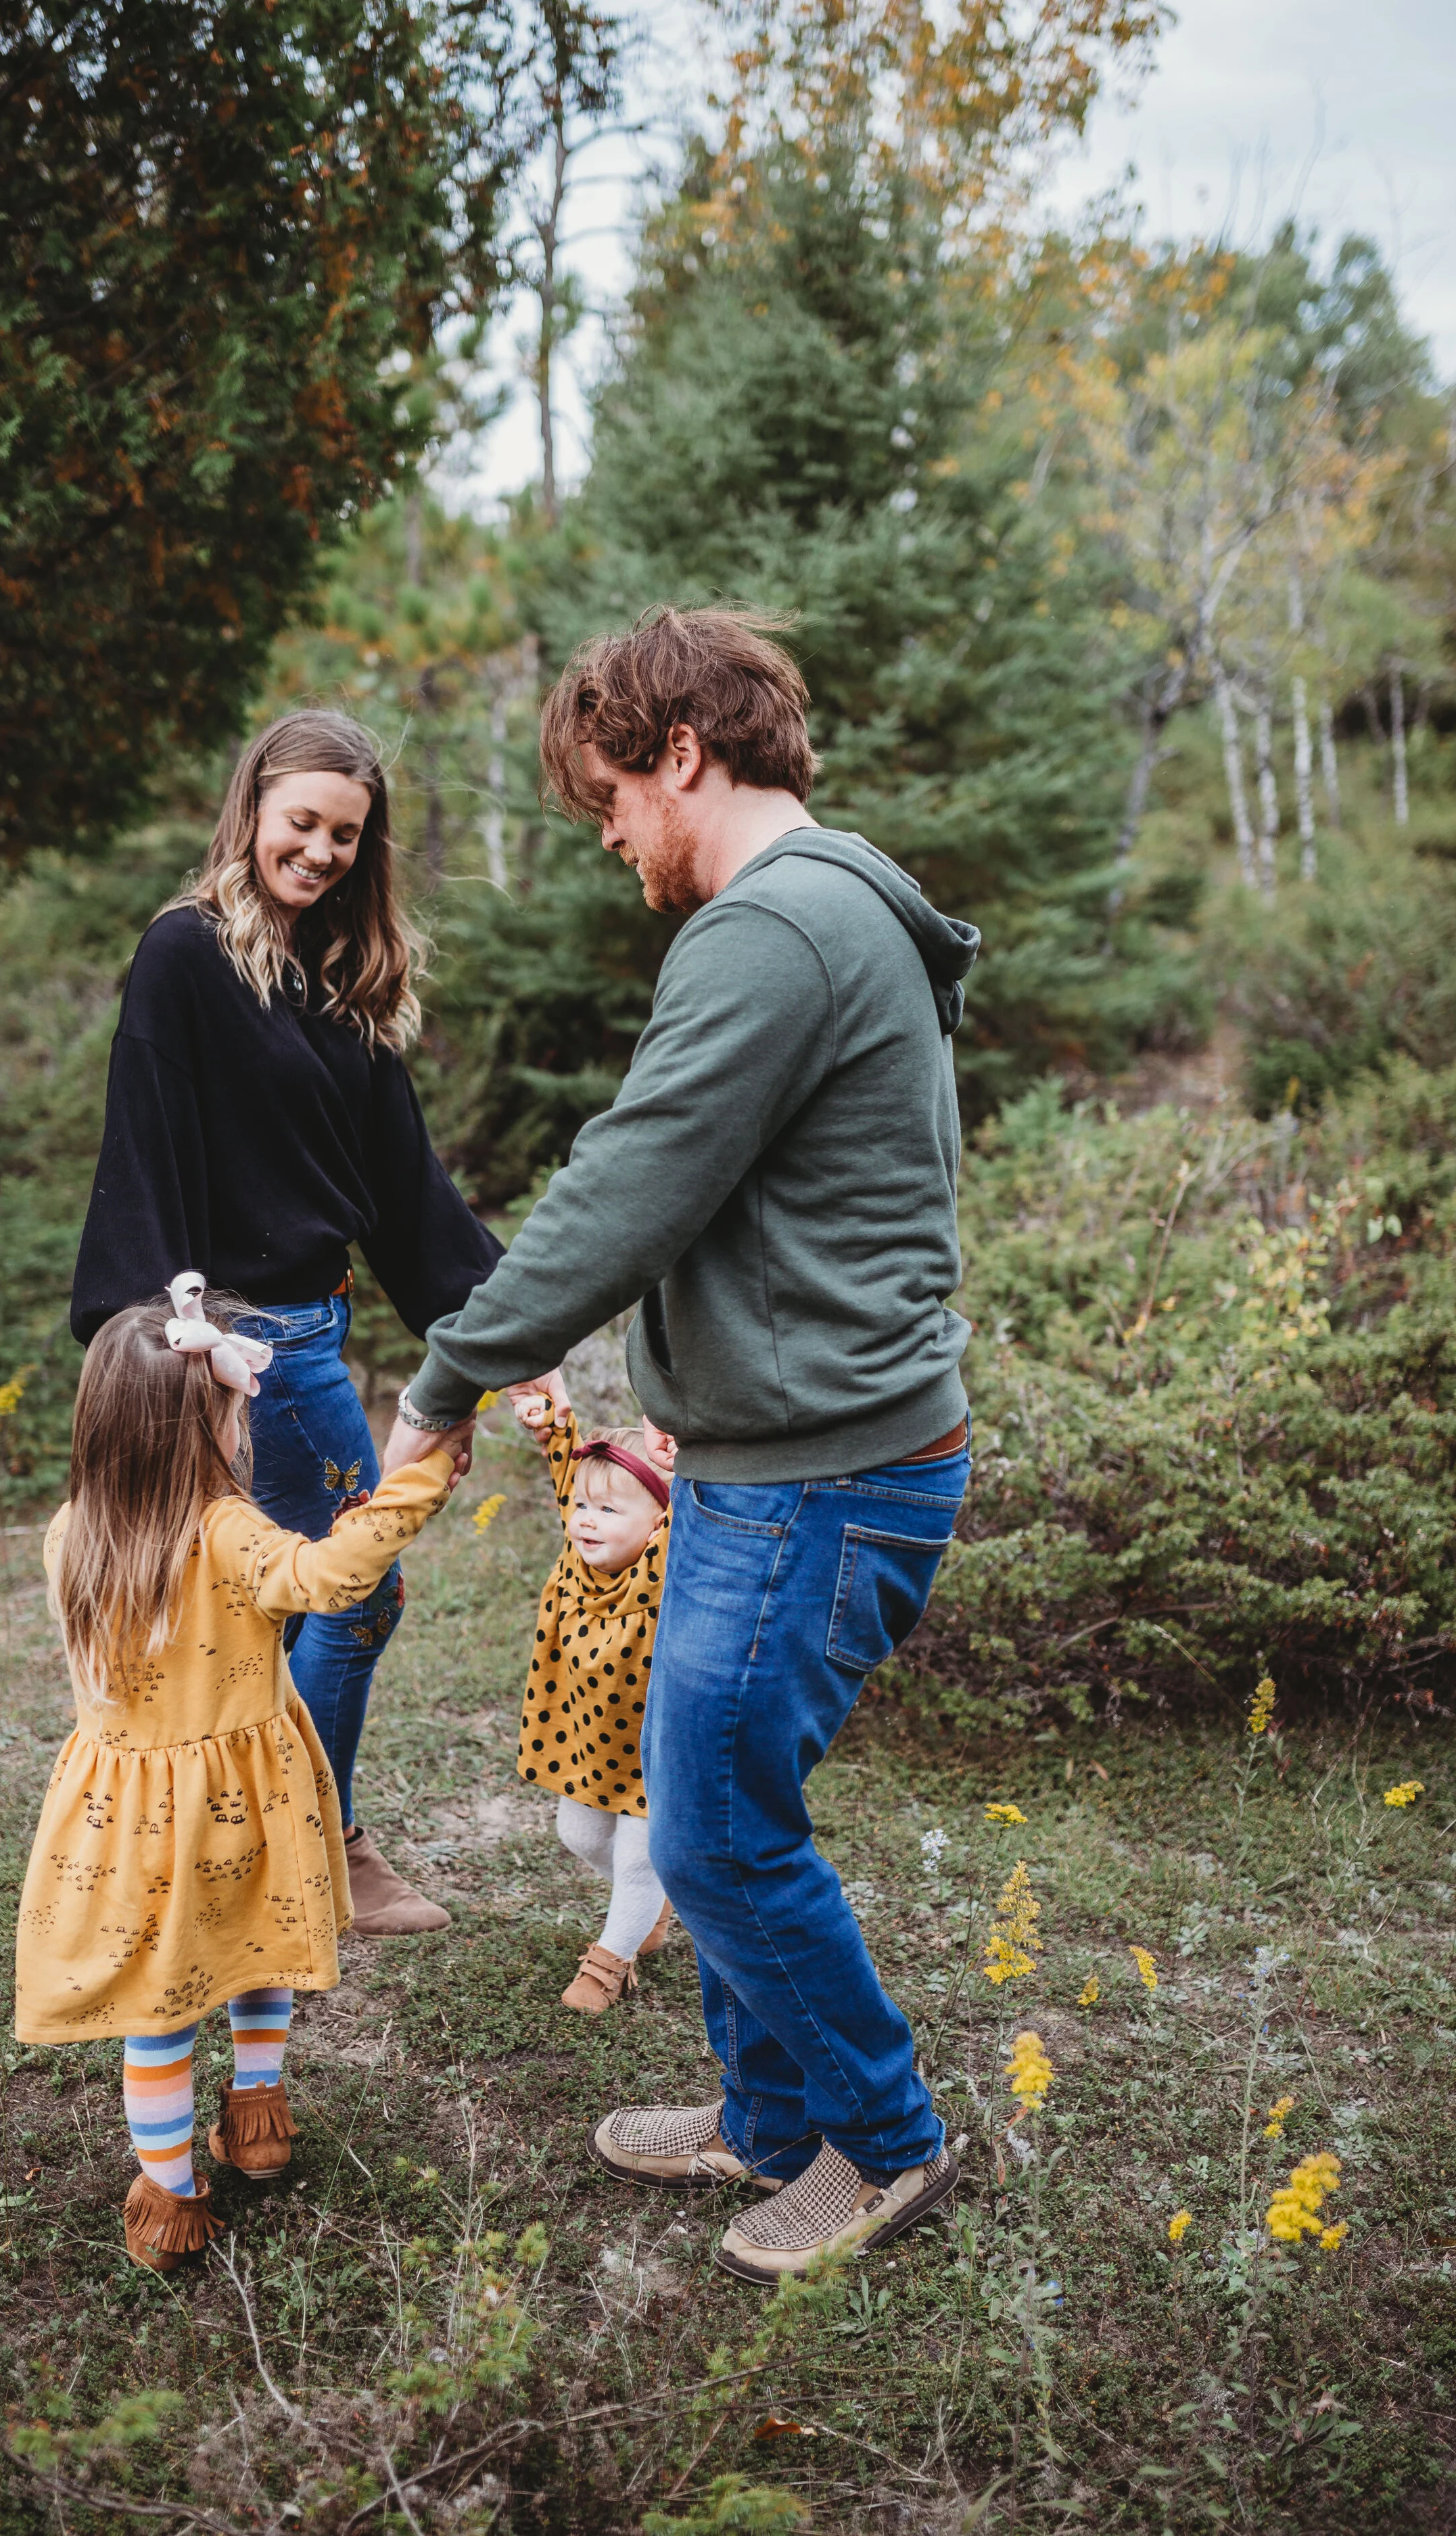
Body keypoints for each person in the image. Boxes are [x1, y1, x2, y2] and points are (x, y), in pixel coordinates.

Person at [383, 606, 981, 2284]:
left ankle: (886, 2141)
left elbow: (625, 1192)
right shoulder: (843, 894)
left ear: (684, 753)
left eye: (611, 804)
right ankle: (766, 2116)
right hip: (777, 1452)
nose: (613, 841)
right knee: (705, 1790)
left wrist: (443, 1384)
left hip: (823, 1473)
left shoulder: (771, 932)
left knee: (715, 1828)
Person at [70, 709, 511, 1935]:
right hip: (238, 1349)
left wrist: (504, 1331)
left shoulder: (343, 976)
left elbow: (406, 1186)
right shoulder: (186, 954)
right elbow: (143, 1144)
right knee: (347, 1597)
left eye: (345, 836)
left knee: (276, 1605)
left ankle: (280, 1843)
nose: (319, 852)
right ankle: (322, 1847)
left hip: (314, 1328)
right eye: (301, 823)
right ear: (253, 806)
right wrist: (167, 1340)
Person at [14, 1278, 467, 2271]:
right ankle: (257, 2120)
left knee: (161, 2005)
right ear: (202, 1427)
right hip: (249, 1801)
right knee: (260, 1950)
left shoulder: (70, 1535)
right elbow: (335, 1579)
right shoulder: (231, 1533)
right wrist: (418, 1481)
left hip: (131, 1818)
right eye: (232, 1408)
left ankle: (171, 2198)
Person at [510, 1390, 678, 2011]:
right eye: (582, 1504)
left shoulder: (659, 1568)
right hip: (586, 1742)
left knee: (639, 1856)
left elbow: (689, 1501)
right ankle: (653, 1902)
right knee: (579, 1834)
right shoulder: (577, 1557)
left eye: (608, 1509)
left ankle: (611, 1960)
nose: (585, 1518)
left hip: (654, 1748)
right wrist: (547, 1415)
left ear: (659, 1521)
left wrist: (689, 1468)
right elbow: (565, 1459)